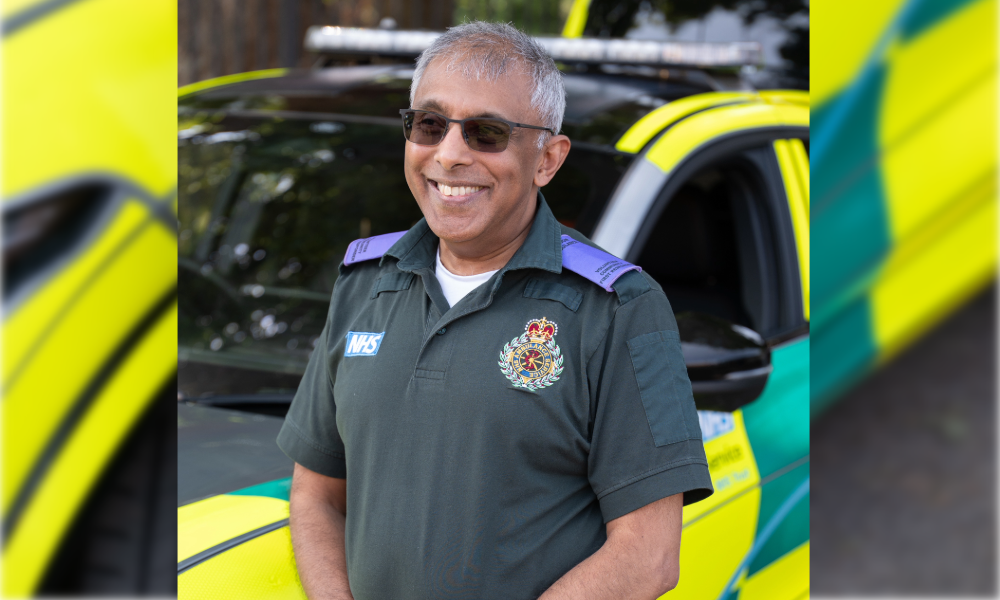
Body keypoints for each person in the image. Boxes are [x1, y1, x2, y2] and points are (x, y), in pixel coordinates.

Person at [276, 21, 713, 600]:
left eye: (487, 133)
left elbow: (647, 556)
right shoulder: (363, 284)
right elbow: (316, 493)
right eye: (430, 125)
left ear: (547, 160)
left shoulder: (617, 308)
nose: (449, 154)